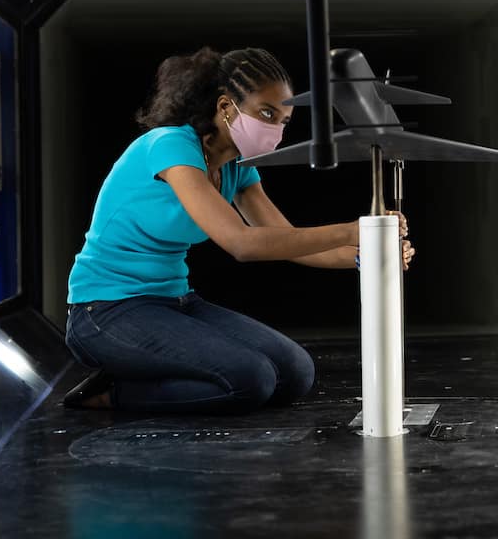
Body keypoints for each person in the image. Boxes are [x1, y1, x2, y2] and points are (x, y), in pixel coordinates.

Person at [62, 47, 414, 412]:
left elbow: (286, 238)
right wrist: (353, 230)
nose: (276, 129)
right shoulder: (170, 146)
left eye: (284, 120)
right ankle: (112, 391)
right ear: (225, 107)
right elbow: (241, 243)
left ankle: (147, 370)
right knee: (252, 379)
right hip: (104, 311)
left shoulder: (237, 166)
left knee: (296, 373)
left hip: (175, 302)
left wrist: (371, 252)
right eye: (267, 113)